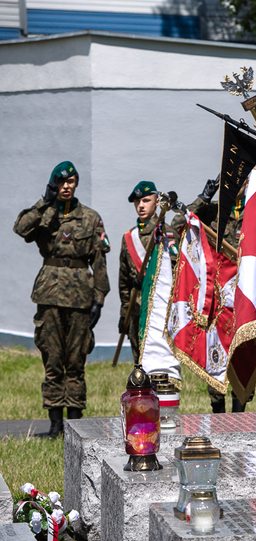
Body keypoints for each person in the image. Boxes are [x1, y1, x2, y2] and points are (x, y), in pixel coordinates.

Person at [14, 161, 110, 438]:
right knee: (53, 359)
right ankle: (55, 425)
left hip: (80, 296)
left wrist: (99, 299)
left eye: (70, 181)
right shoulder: (44, 214)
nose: (66, 186)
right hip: (50, 294)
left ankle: (75, 427)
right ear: (53, 184)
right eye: (60, 181)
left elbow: (99, 261)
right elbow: (20, 229)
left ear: (76, 183)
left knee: (76, 361)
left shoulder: (90, 217)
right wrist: (43, 203)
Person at [184, 176, 254, 413]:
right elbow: (179, 224)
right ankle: (218, 412)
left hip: (245, 295)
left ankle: (240, 413)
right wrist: (203, 198)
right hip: (218, 298)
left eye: (239, 181)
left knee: (243, 356)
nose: (234, 185)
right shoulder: (212, 211)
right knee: (216, 351)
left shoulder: (254, 211)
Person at [118, 181, 162, 364]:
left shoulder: (165, 234)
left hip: (160, 310)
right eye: (137, 202)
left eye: (146, 200)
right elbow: (124, 281)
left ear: (157, 202)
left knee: (161, 366)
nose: (141, 206)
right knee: (140, 365)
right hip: (136, 311)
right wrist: (124, 314)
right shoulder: (129, 237)